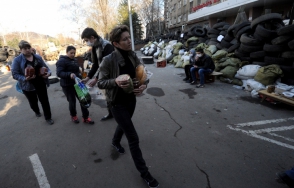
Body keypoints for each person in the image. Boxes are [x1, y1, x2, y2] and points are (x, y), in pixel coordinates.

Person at [97, 25, 159, 188]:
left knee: (124, 125)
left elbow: (143, 75)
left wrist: (144, 85)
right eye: (124, 39)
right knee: (133, 137)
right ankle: (145, 174)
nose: (129, 41)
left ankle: (115, 141)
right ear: (115, 43)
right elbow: (100, 82)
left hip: (131, 100)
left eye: (129, 37)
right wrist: (115, 81)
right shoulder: (108, 60)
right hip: (117, 103)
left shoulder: (133, 55)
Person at [11, 40, 54, 125]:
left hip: (40, 82)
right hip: (28, 85)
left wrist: (48, 73)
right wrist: (25, 78)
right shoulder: (17, 60)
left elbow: (46, 67)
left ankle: (48, 117)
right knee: (33, 102)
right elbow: (15, 74)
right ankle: (36, 111)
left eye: (28, 48)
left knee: (44, 101)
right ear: (20, 50)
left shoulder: (37, 57)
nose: (27, 50)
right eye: (24, 48)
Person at [80, 27, 115, 121]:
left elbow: (106, 65)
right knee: (108, 96)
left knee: (114, 97)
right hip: (104, 76)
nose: (86, 42)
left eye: (87, 40)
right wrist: (88, 77)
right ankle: (111, 113)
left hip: (113, 75)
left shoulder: (107, 46)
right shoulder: (95, 47)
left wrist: (96, 79)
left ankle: (120, 117)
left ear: (92, 37)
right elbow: (96, 64)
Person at [56, 46, 94, 124]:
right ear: (67, 52)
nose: (73, 54)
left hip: (78, 84)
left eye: (74, 53)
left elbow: (79, 70)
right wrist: (69, 74)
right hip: (67, 85)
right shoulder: (61, 61)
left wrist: (82, 75)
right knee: (72, 101)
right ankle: (73, 116)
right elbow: (59, 73)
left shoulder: (75, 60)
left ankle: (85, 117)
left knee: (83, 100)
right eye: (71, 53)